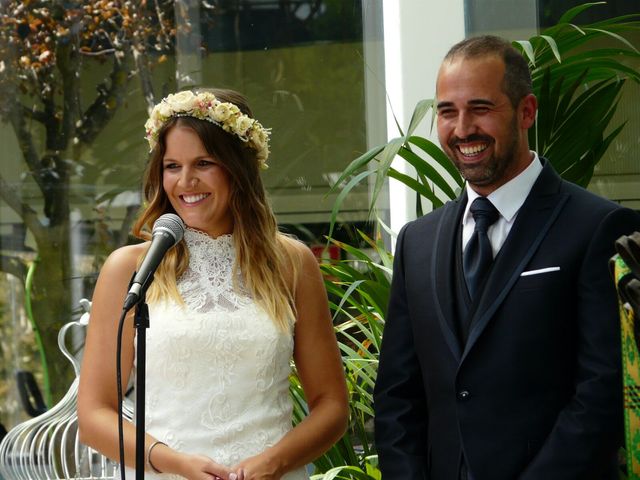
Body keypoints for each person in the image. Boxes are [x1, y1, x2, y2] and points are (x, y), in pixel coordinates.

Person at [373, 35, 640, 480]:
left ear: (526, 111)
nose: (462, 129)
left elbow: (601, 392)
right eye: (446, 112)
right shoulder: (416, 242)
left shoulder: (598, 227)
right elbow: (398, 397)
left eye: (480, 108)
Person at [78, 89, 349, 480]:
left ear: (238, 168)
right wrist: (175, 462)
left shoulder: (291, 262)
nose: (186, 181)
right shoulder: (128, 269)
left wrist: (271, 463)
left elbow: (331, 406)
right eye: (172, 166)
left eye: (203, 163)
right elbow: (93, 415)